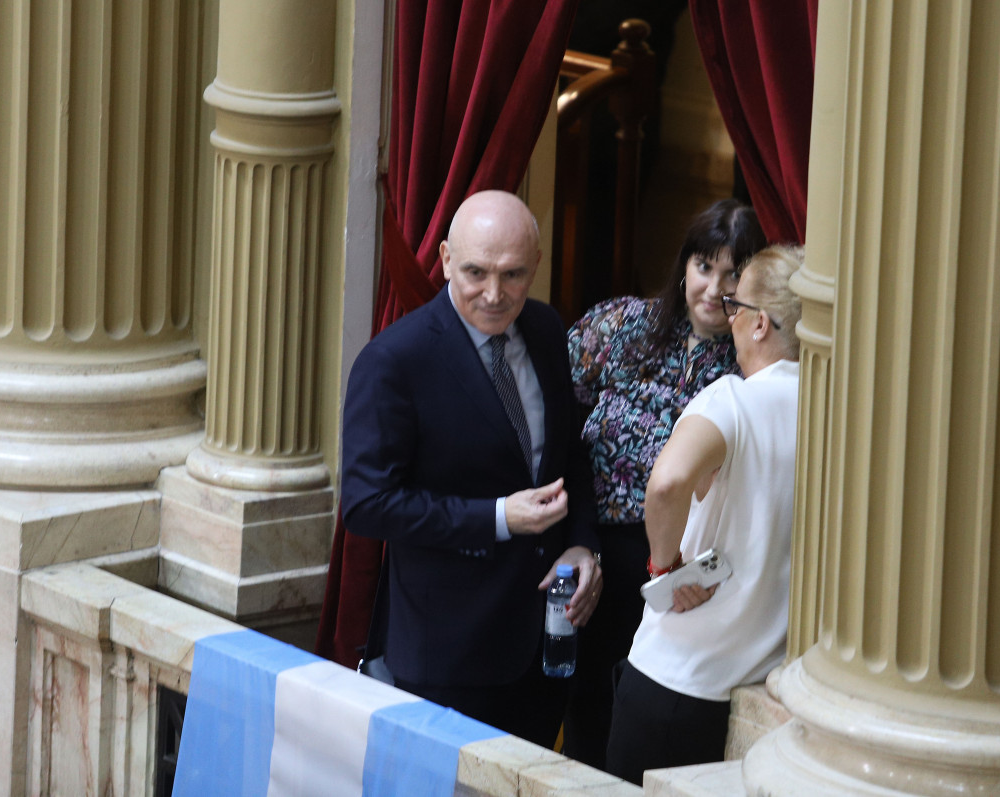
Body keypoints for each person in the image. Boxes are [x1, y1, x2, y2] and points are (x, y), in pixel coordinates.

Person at [341, 190, 602, 749]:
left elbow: (571, 453)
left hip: (545, 648)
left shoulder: (547, 329)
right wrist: (499, 517)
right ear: (443, 259)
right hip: (446, 657)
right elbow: (367, 504)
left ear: (534, 266)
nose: (494, 294)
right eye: (476, 272)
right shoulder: (394, 361)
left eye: (513, 275)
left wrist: (581, 544)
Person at [562, 199, 767, 766]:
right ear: (684, 266)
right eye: (705, 266)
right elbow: (559, 413)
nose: (714, 288)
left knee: (644, 722)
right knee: (585, 709)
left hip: (684, 569)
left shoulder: (752, 363)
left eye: (733, 274)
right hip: (598, 552)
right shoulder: (622, 324)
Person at [603, 245, 805, 784]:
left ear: (760, 323)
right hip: (759, 695)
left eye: (735, 307)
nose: (729, 318)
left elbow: (667, 482)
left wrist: (664, 568)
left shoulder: (732, 400)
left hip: (677, 677)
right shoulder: (830, 414)